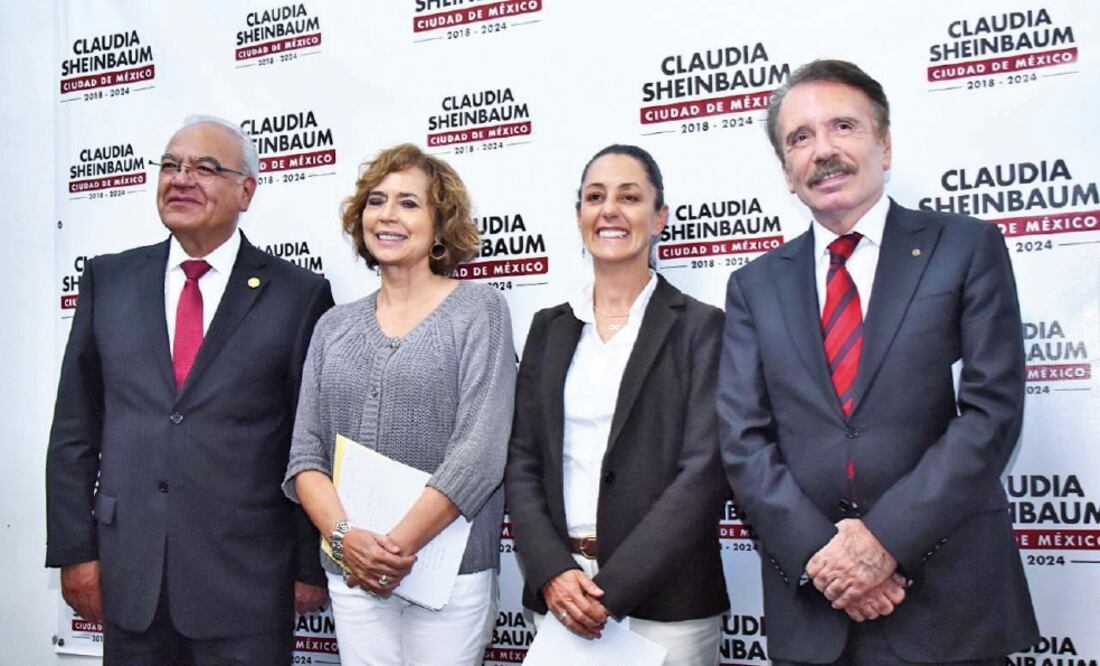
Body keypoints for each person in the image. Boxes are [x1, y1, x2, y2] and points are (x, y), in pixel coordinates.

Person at [718, 59, 1039, 665]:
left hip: (951, 604)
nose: (823, 151)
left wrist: (883, 542)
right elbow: (742, 440)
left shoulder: (967, 247)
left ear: (884, 145)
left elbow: (991, 413)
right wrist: (829, 558)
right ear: (786, 172)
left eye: (843, 126)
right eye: (800, 138)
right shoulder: (753, 286)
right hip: (816, 606)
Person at [45, 114, 334, 664]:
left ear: (246, 190)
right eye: (171, 165)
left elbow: (310, 440)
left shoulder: (298, 294)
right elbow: (74, 430)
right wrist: (75, 551)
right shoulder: (109, 280)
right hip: (130, 576)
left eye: (204, 168)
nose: (181, 179)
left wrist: (306, 564)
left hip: (247, 582)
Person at [284, 143, 516, 665]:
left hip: (449, 574)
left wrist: (391, 550)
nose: (387, 214)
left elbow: (479, 452)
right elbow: (306, 454)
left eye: (409, 203)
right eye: (376, 200)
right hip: (352, 570)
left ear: (441, 224)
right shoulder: (333, 327)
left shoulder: (480, 312)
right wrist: (349, 543)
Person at [506, 144, 730, 665]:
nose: (609, 210)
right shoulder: (547, 328)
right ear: (579, 215)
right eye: (594, 196)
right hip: (558, 600)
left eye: (629, 197)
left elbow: (703, 473)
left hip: (667, 606)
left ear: (659, 218)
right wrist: (553, 573)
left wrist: (609, 590)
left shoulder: (703, 327)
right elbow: (522, 461)